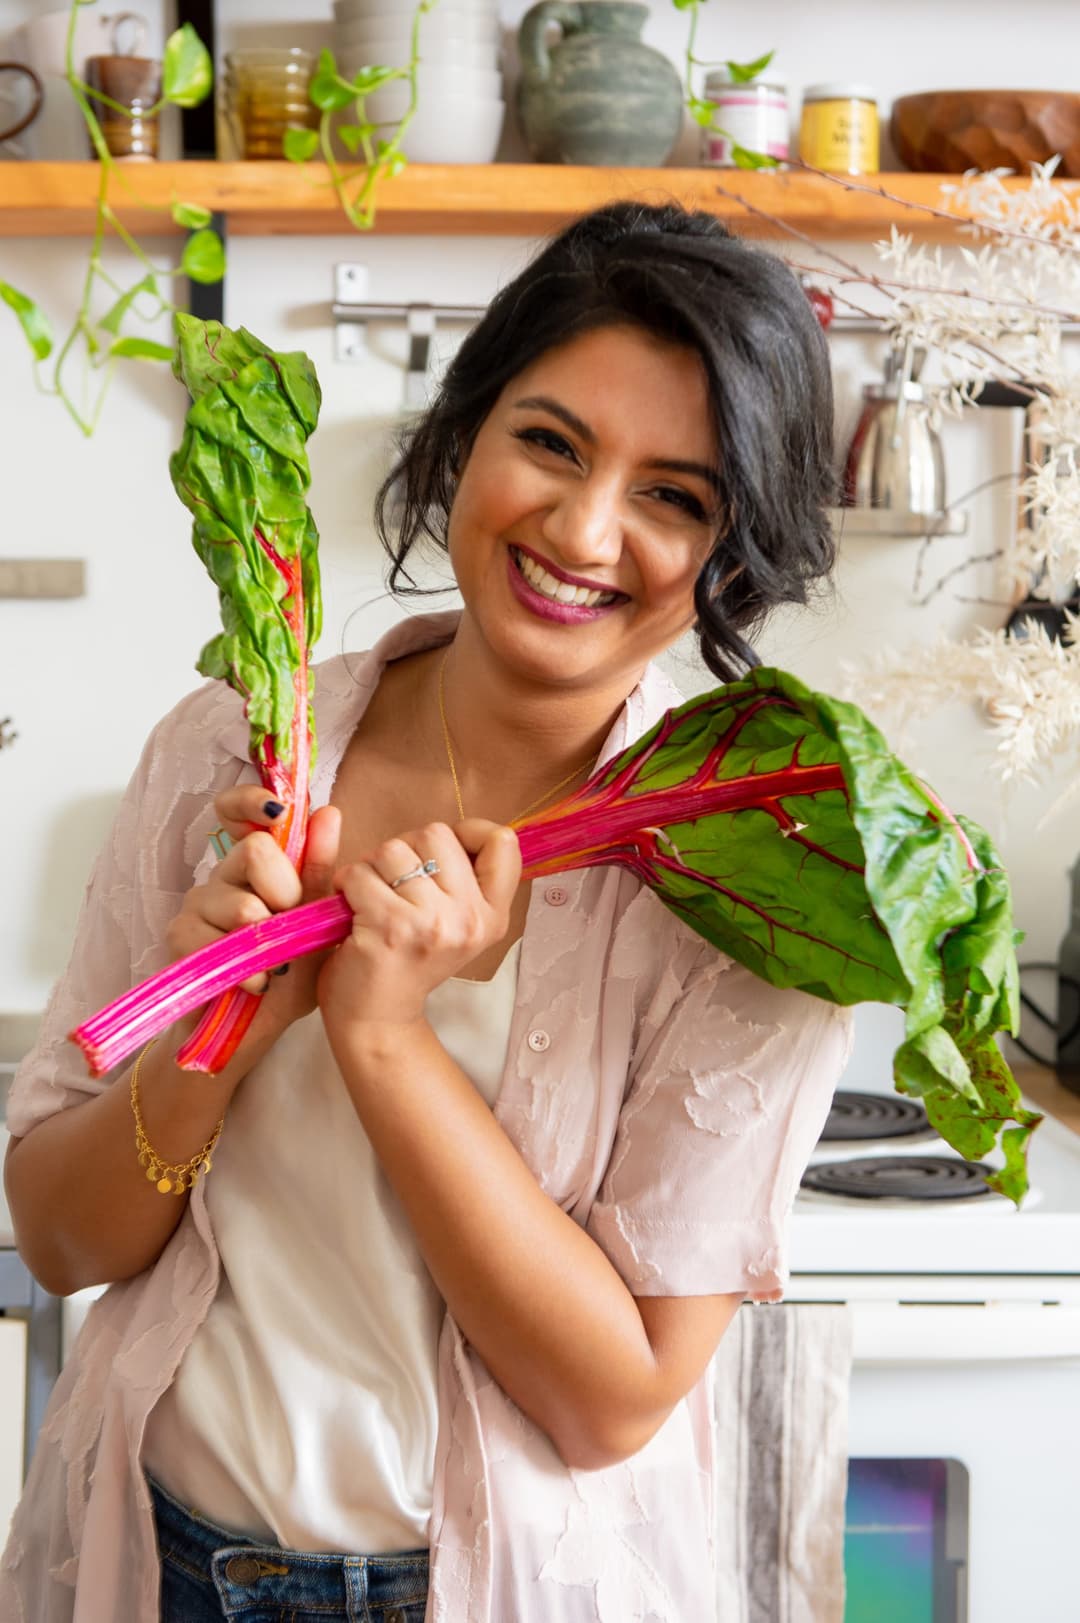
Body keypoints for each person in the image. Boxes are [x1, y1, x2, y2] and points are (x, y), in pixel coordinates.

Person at [1, 201, 853, 1623]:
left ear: (733, 556)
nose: (584, 530)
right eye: (552, 442)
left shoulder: (757, 871)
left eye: (675, 497)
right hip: (150, 1563)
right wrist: (231, 1020)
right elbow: (61, 1238)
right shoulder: (229, 753)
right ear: (466, 434)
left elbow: (613, 1403)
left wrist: (381, 1037)